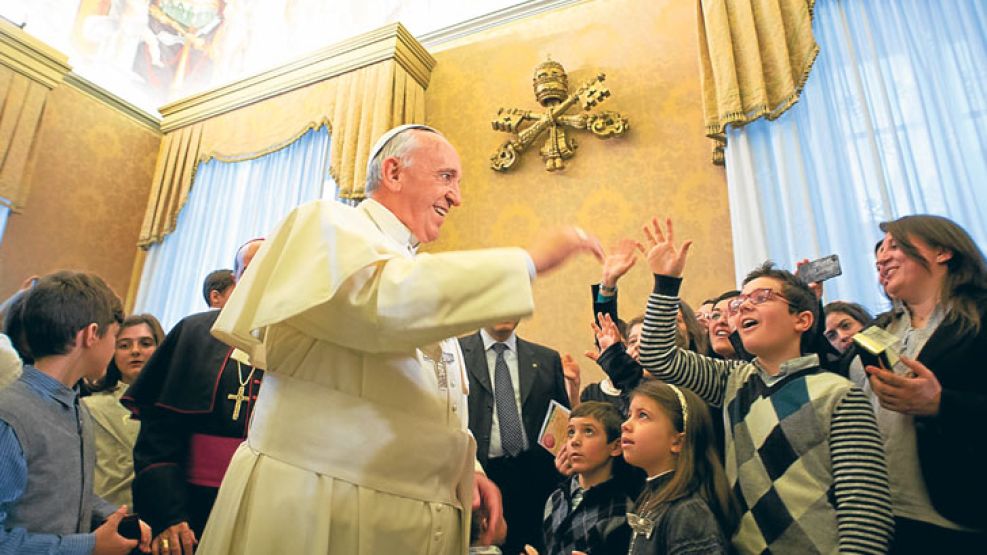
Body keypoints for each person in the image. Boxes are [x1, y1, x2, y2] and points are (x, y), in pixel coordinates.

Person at [196, 124, 603, 554]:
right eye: (446, 177)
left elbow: (425, 401)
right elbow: (381, 305)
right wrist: (529, 262)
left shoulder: (410, 267)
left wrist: (466, 471)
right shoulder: (326, 224)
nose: (457, 196)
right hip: (319, 512)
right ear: (392, 172)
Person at [637, 217, 894, 554]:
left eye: (761, 297)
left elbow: (866, 514)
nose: (744, 305)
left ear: (802, 320)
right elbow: (656, 355)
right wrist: (666, 283)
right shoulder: (731, 381)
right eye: (742, 301)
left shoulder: (838, 394)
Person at [848, 215, 987, 551]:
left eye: (895, 246)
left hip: (952, 520)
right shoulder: (879, 328)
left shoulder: (980, 320)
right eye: (879, 251)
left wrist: (942, 404)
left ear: (943, 251)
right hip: (874, 518)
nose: (881, 257)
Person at [122, 238, 264, 554]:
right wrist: (167, 513)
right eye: (250, 271)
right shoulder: (194, 333)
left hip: (266, 505)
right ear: (237, 278)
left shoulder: (303, 340)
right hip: (189, 503)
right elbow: (156, 438)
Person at [0, 271, 151, 554]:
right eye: (116, 337)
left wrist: (112, 516)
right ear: (92, 334)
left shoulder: (77, 408)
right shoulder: (10, 418)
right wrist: (88, 546)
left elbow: (61, 491)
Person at [461, 320, 570, 553]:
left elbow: (560, 421)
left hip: (533, 480)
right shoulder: (457, 355)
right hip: (480, 477)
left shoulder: (546, 359)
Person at [621, 381, 735, 554]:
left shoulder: (689, 512)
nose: (625, 425)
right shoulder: (652, 498)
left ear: (678, 441)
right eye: (629, 415)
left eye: (642, 415)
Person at [83, 314, 164, 508]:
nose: (135, 351)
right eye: (124, 345)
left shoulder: (176, 406)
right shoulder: (89, 407)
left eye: (145, 344)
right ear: (112, 352)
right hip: (104, 515)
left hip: (161, 516)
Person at [540, 401, 634, 555]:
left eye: (589, 431)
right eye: (571, 432)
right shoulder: (556, 498)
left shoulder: (620, 510)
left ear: (616, 447)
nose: (575, 441)